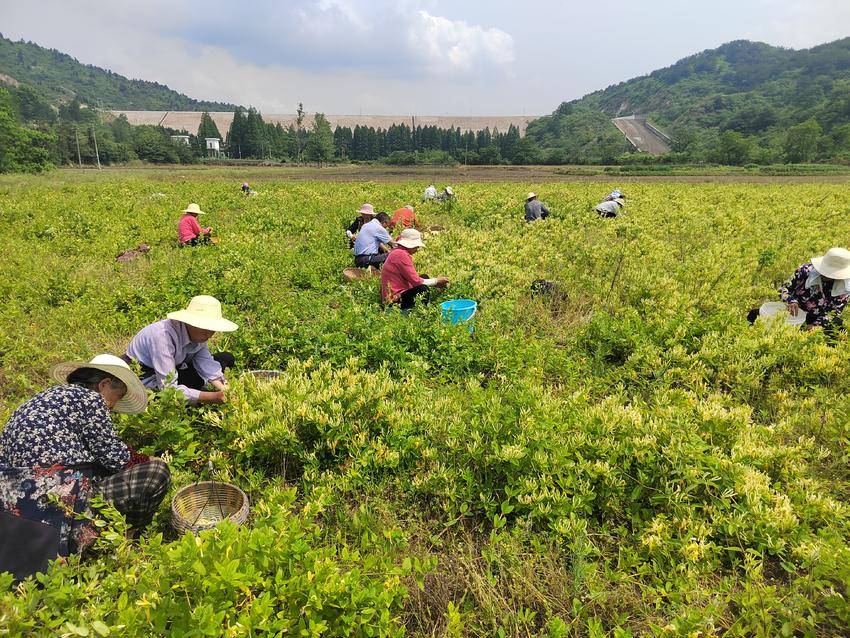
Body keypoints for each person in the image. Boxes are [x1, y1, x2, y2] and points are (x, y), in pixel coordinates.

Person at [0, 354, 170, 578]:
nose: (113, 407)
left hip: (10, 510)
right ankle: (126, 537)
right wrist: (147, 459)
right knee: (156, 473)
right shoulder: (91, 399)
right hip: (57, 507)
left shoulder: (41, 400)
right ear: (104, 385)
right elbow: (116, 459)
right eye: (116, 398)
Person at [124, 295, 238, 405]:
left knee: (226, 358)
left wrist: (226, 389)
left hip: (176, 367)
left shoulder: (198, 335)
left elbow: (205, 362)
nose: (209, 334)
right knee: (176, 392)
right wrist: (212, 397)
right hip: (148, 378)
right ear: (190, 322)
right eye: (205, 328)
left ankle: (195, 389)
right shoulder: (162, 336)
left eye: (212, 329)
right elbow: (167, 387)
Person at [748, 247, 850, 329]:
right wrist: (791, 300)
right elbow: (783, 289)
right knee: (754, 315)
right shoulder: (805, 271)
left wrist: (815, 326)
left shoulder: (845, 289)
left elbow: (834, 313)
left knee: (838, 328)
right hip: (790, 314)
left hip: (814, 319)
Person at [381, 229, 448, 310]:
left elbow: (413, 278)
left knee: (424, 277)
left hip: (398, 293)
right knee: (422, 289)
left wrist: (435, 283)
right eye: (416, 246)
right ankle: (422, 312)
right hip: (394, 300)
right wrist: (436, 281)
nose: (418, 248)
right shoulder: (401, 255)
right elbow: (416, 282)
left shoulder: (397, 252)